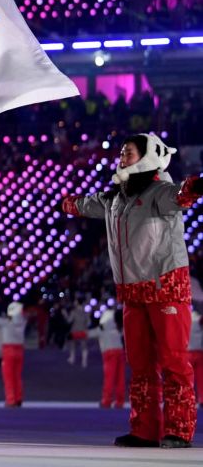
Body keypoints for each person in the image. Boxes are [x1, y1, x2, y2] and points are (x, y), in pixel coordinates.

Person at [61, 133, 203, 448]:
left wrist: (195, 186)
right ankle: (144, 429)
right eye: (122, 152)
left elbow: (180, 195)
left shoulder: (160, 191)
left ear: (147, 155)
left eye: (129, 152)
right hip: (133, 293)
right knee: (140, 366)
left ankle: (179, 430)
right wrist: (58, 201)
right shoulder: (115, 197)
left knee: (173, 362)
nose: (122, 157)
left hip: (165, 287)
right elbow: (82, 205)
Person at [0, 302, 27, 407]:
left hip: (8, 350)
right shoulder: (23, 322)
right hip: (20, 350)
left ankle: (11, 400)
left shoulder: (6, 322)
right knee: (17, 376)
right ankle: (19, 398)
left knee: (8, 377)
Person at [89, 310, 125, 409]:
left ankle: (107, 401)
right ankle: (119, 401)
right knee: (120, 378)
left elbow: (91, 333)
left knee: (109, 378)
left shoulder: (104, 327)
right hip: (120, 351)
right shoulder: (120, 328)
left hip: (109, 353)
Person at [189, 311, 203, 408]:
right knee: (200, 378)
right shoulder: (199, 320)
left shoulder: (185, 319)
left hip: (187, 352)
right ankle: (202, 399)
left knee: (188, 379)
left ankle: (189, 399)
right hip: (199, 352)